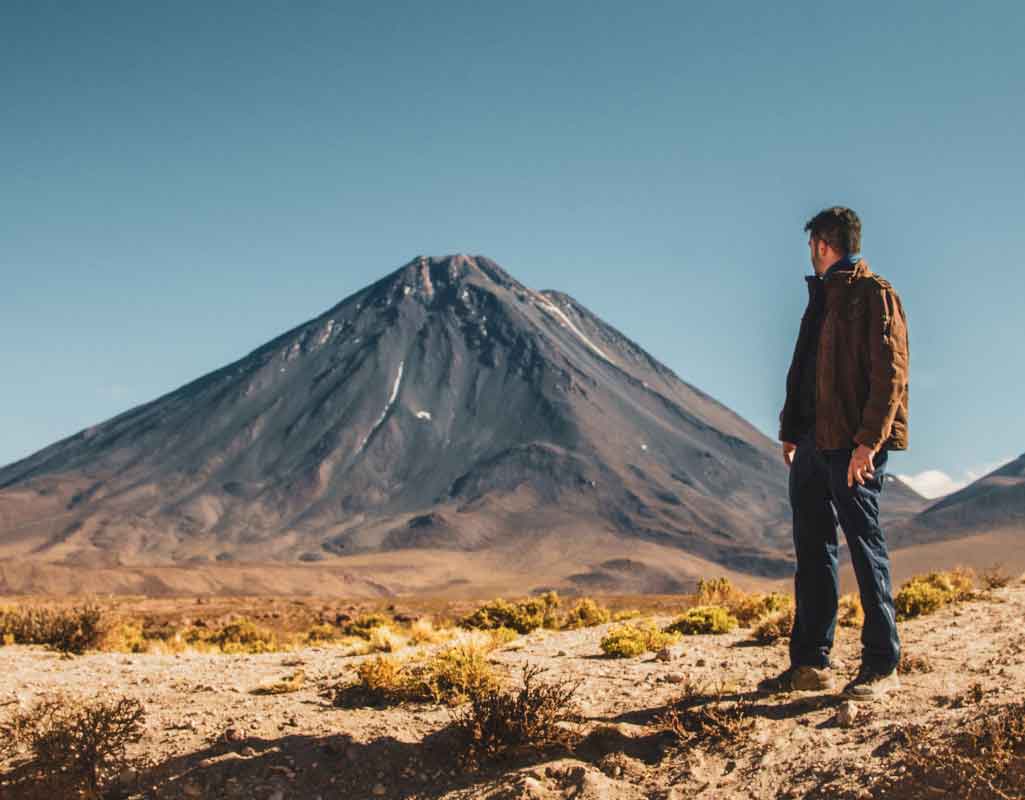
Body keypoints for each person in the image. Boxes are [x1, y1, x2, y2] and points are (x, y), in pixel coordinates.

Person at [759, 206, 910, 701]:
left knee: (865, 546)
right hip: (811, 443)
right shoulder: (820, 298)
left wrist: (869, 441)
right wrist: (790, 429)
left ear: (823, 244)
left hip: (851, 446)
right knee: (813, 549)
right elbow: (804, 367)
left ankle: (882, 661)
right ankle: (809, 663)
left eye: (811, 245)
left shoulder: (873, 295)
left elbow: (891, 373)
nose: (810, 252)